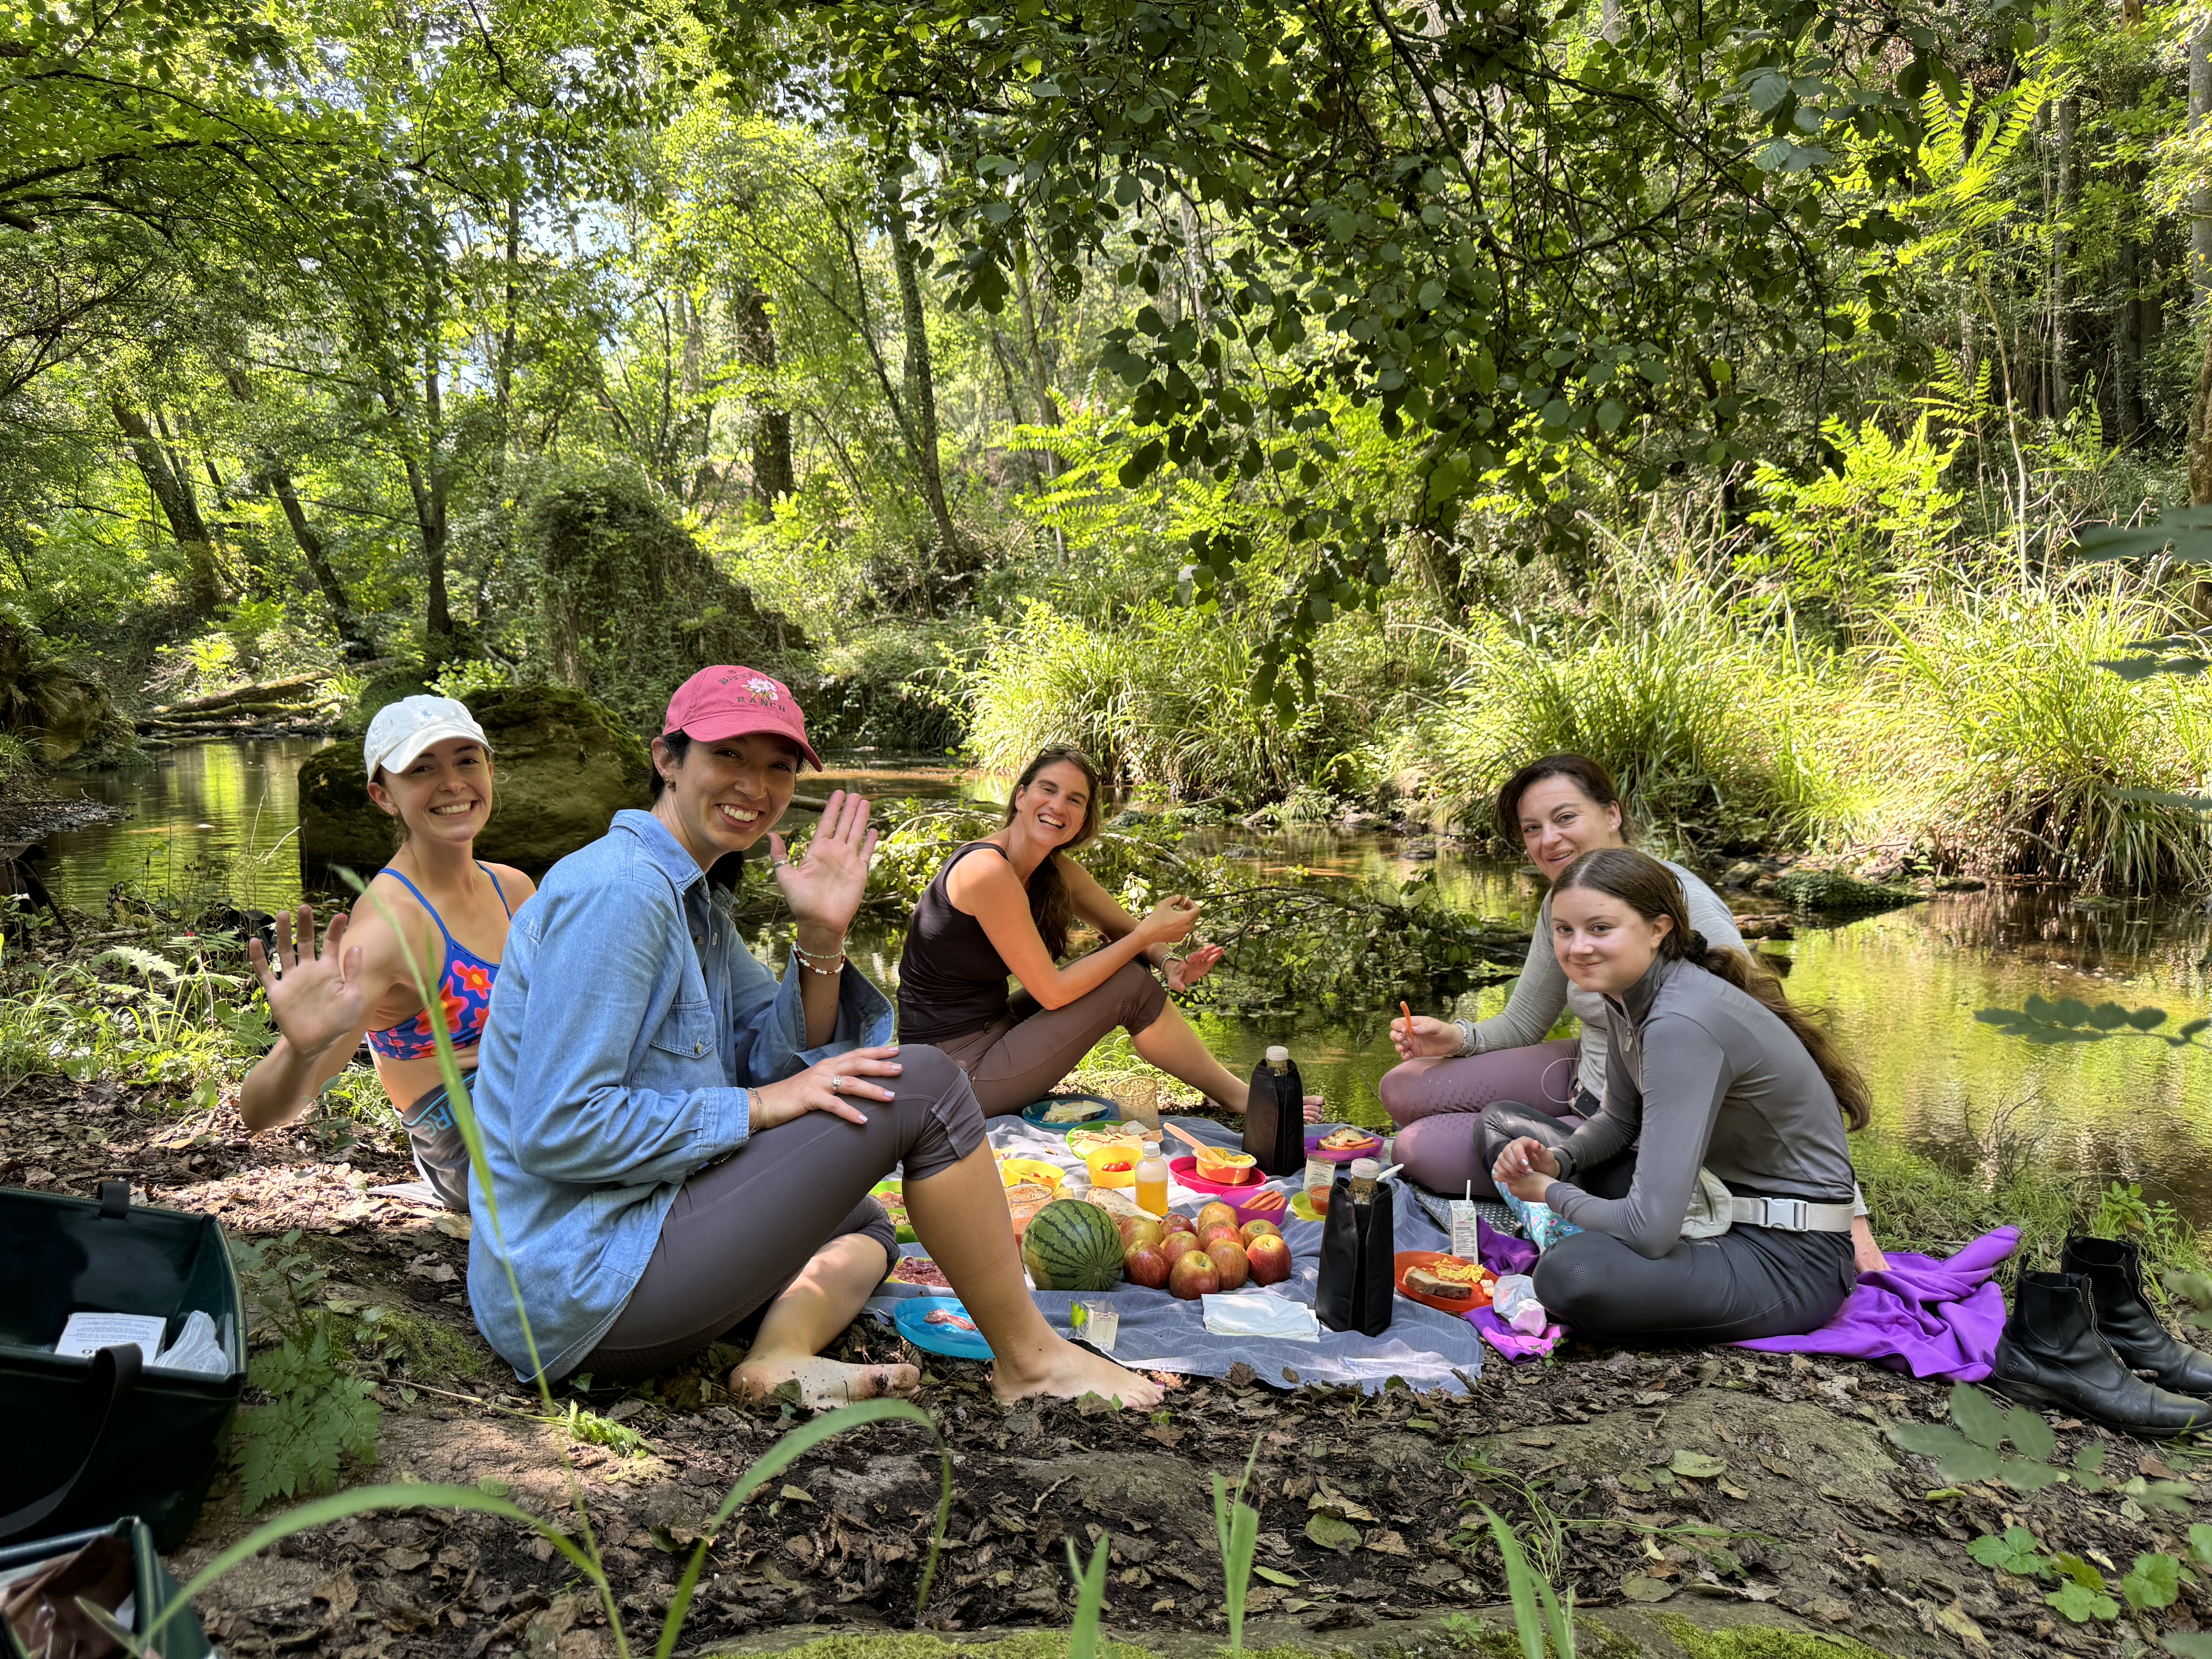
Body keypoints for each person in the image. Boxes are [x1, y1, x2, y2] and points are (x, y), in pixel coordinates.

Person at [465, 668, 1162, 1409]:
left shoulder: (693, 898)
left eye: (778, 765)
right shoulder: (624, 892)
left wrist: (821, 935)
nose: (755, 784)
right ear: (667, 760)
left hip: (634, 1234)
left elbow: (782, 1056)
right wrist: (761, 1107)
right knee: (922, 1085)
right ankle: (1032, 1360)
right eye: (729, 754)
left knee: (861, 1221)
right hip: (582, 1286)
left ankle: (778, 1356)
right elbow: (558, 1129)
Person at [1485, 847, 1865, 1345]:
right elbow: (1620, 1125)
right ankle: (1577, 1229)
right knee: (1500, 1122)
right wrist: (1557, 1162)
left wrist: (1552, 1194)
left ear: (1658, 929)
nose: (1577, 948)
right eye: (1564, 930)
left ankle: (1569, 1235)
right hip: (1709, 1204)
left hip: (1789, 1257)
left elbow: (1648, 1230)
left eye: (1601, 929)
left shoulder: (1680, 1022)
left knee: (1569, 1275)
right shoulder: (1627, 997)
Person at [1380, 754, 1743, 1198]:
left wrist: (1845, 1208)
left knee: (1418, 1149)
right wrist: (1455, 1039)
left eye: (1565, 818)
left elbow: (1761, 1030)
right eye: (1532, 828)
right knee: (1402, 1087)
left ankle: (1576, 1159)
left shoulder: (1679, 900)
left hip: (1639, 1123)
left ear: (1612, 814)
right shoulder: (1563, 899)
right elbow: (1525, 1022)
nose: (1548, 840)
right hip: (1581, 1074)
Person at [897, 745, 1321, 1121]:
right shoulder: (986, 870)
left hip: (994, 1030)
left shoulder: (1055, 871)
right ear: (1021, 797)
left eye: (1075, 800)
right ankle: (1237, 1097)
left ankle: (1229, 1094)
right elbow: (1053, 993)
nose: (1058, 806)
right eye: (1048, 790)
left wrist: (1168, 961)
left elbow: (1125, 930)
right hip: (952, 1076)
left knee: (1125, 967)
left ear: (1083, 820)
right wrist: (1144, 941)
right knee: (1126, 983)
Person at [243, 696, 534, 1213]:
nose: (451, 783)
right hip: (472, 1150)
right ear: (384, 795)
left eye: (466, 760)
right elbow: (261, 1114)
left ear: (490, 770)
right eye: (422, 769)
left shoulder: (513, 888)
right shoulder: (386, 930)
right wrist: (301, 1050)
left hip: (539, 1102)